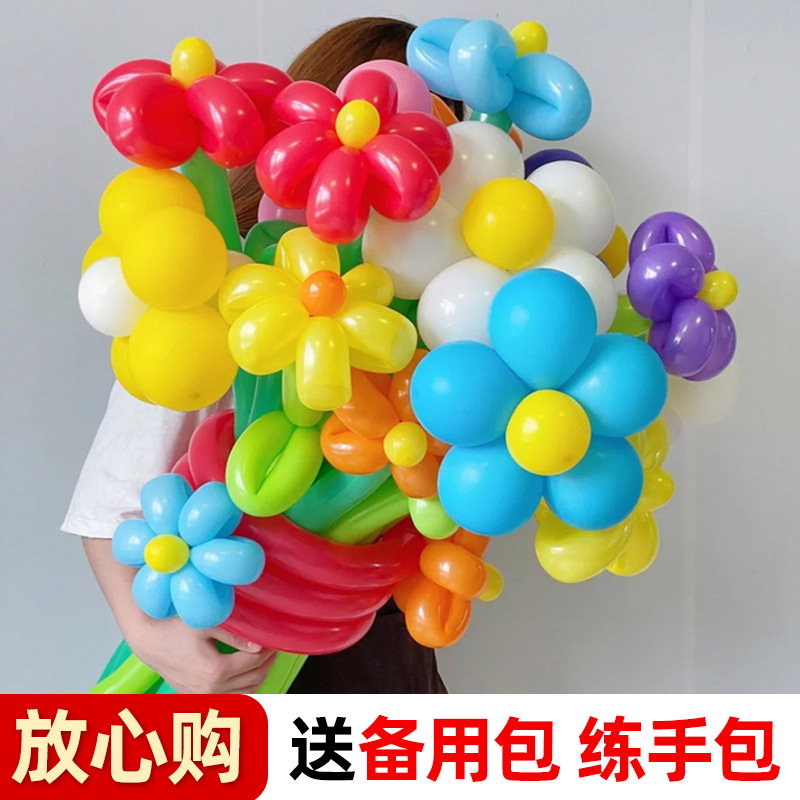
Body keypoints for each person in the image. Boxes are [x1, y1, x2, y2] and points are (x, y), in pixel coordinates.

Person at [63, 17, 458, 694]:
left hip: (384, 656)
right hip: (223, 655)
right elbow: (109, 502)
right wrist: (154, 640)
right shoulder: (230, 293)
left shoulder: (448, 318)